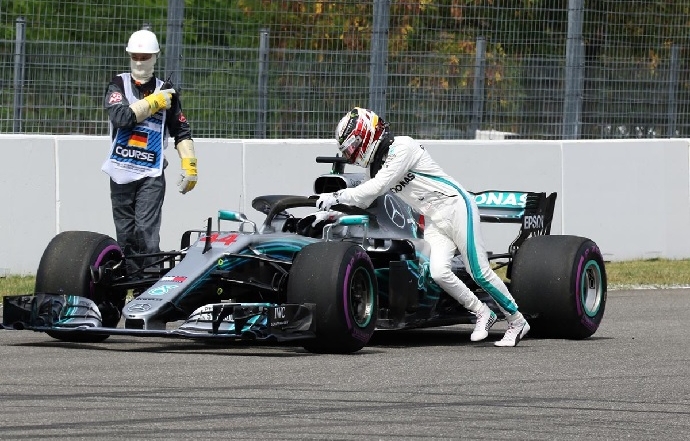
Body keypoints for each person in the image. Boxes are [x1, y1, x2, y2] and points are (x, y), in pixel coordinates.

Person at [316, 107, 530, 347]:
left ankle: (517, 321)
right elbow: (365, 200)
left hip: (456, 206)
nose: (352, 155)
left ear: (365, 135)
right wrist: (332, 214)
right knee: (438, 272)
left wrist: (336, 196)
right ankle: (482, 312)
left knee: (478, 272)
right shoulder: (375, 167)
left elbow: (376, 187)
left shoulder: (402, 147)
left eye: (353, 147)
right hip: (433, 219)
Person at [102, 29, 198, 277]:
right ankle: (127, 284)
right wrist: (155, 102)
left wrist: (190, 166)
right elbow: (121, 117)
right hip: (121, 172)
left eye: (145, 57)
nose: (139, 61)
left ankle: (149, 286)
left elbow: (181, 130)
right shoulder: (117, 84)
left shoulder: (169, 91)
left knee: (146, 232)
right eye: (135, 56)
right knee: (125, 236)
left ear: (155, 58)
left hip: (151, 173)